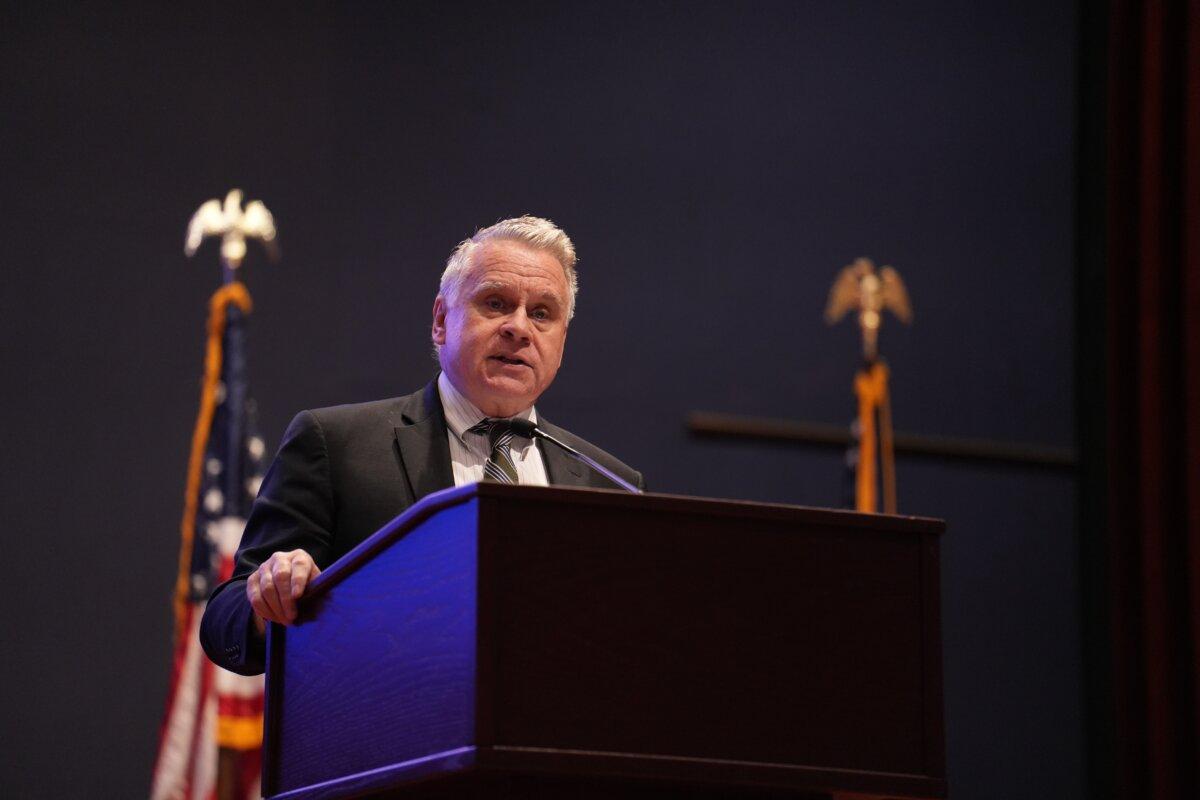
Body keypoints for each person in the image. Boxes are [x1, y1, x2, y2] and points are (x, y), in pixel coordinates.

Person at [200, 216, 643, 675]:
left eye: (542, 313)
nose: (519, 328)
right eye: (495, 303)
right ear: (440, 321)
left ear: (561, 341)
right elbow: (224, 619)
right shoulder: (336, 445)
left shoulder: (611, 486)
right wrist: (267, 597)